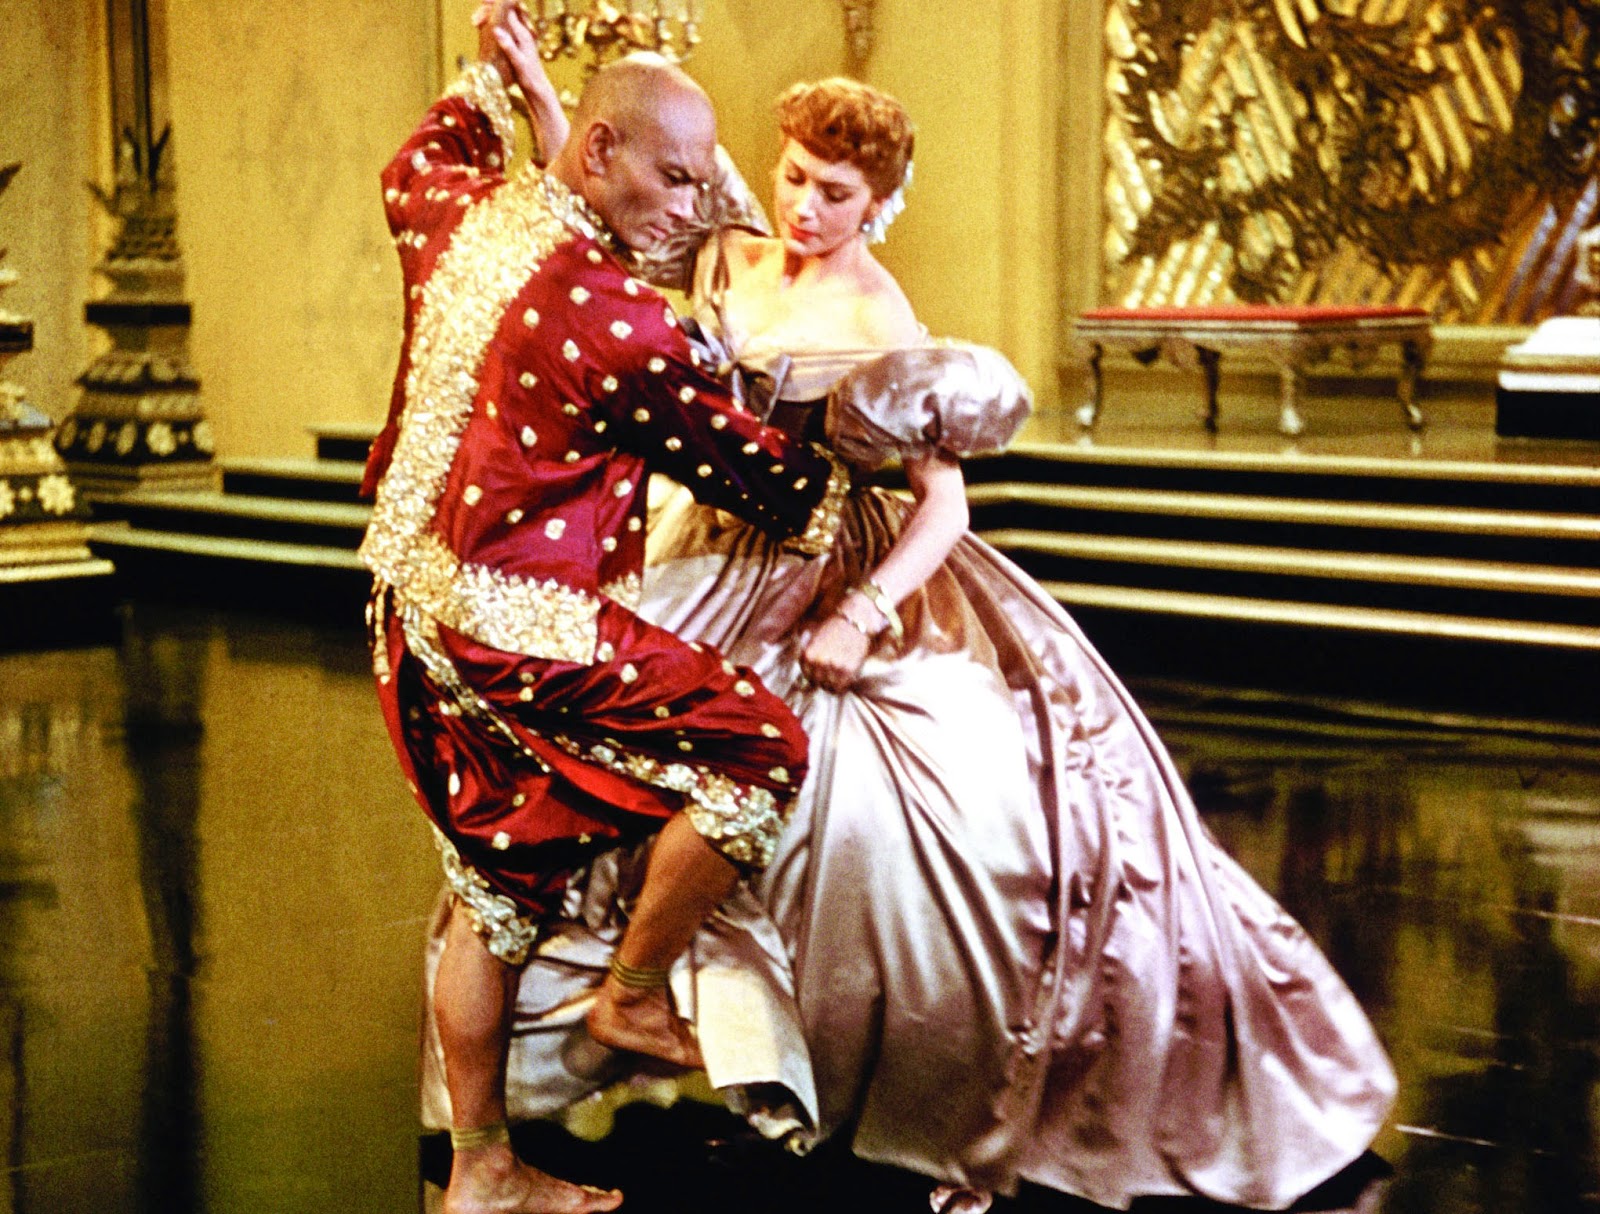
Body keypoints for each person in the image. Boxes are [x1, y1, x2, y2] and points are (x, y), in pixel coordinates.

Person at [474, 65, 1401, 1212]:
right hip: (698, 550)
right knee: (586, 764)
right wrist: (543, 103)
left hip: (829, 565)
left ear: (880, 206)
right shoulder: (729, 250)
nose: (805, 207)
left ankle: (856, 1073)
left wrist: (859, 613)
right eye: (796, 178)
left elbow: (945, 507)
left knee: (916, 820)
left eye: (836, 194)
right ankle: (613, 1026)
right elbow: (602, 204)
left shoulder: (881, 318)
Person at [362, 4, 853, 1211]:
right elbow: (758, 475)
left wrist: (499, 76)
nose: (695, 203)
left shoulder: (459, 212)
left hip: (408, 613)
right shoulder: (615, 321)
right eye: (676, 177)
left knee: (491, 895)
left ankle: (481, 1169)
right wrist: (863, 471)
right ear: (597, 152)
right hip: (516, 626)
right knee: (760, 754)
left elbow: (416, 156)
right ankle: (632, 993)